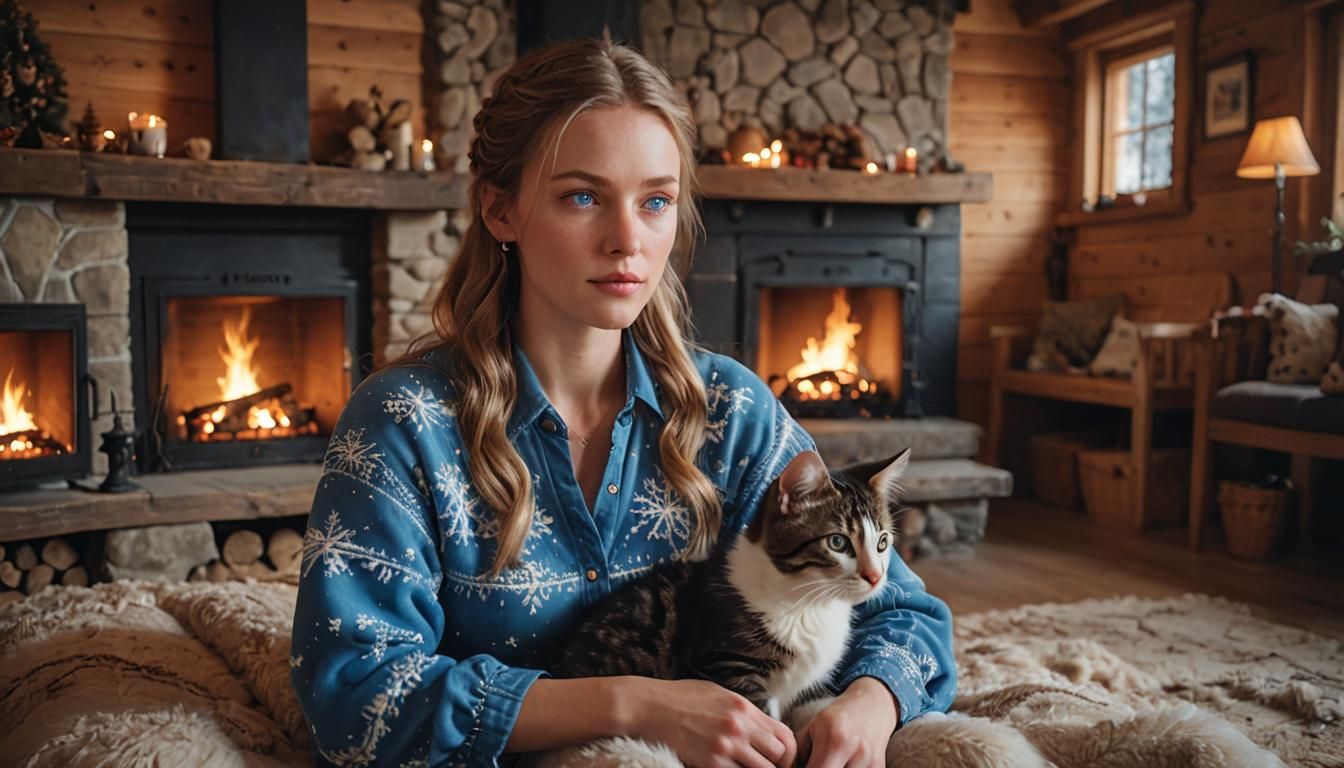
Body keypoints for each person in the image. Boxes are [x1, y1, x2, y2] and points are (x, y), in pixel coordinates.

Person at [290, 37, 955, 768]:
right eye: (583, 196)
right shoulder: (403, 423)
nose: (627, 240)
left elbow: (905, 612)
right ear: (500, 210)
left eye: (656, 201)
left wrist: (869, 703)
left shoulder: (730, 409)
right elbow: (353, 698)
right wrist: (635, 703)